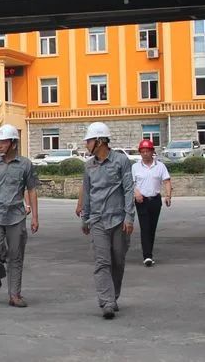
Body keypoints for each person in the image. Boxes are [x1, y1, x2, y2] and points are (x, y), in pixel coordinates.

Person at [0, 124, 39, 308]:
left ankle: (15, 295)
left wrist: (35, 217)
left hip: (16, 216)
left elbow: (32, 190)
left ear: (13, 143)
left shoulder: (25, 164)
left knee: (16, 256)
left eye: (3, 142)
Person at [80, 122, 135, 320]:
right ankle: (107, 302)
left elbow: (128, 189)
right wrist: (85, 218)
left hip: (119, 220)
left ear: (100, 141)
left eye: (89, 141)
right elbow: (87, 193)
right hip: (97, 221)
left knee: (118, 261)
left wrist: (129, 217)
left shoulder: (121, 161)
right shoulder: (89, 166)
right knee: (102, 262)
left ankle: (113, 296)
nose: (86, 144)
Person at [132, 139, 172, 267]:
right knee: (145, 227)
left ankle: (149, 252)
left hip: (155, 200)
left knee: (152, 228)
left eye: (147, 151)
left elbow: (166, 181)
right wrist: (136, 192)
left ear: (152, 152)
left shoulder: (160, 166)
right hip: (141, 200)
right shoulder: (135, 167)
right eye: (142, 151)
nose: (145, 154)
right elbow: (130, 183)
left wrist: (168, 195)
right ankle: (147, 256)